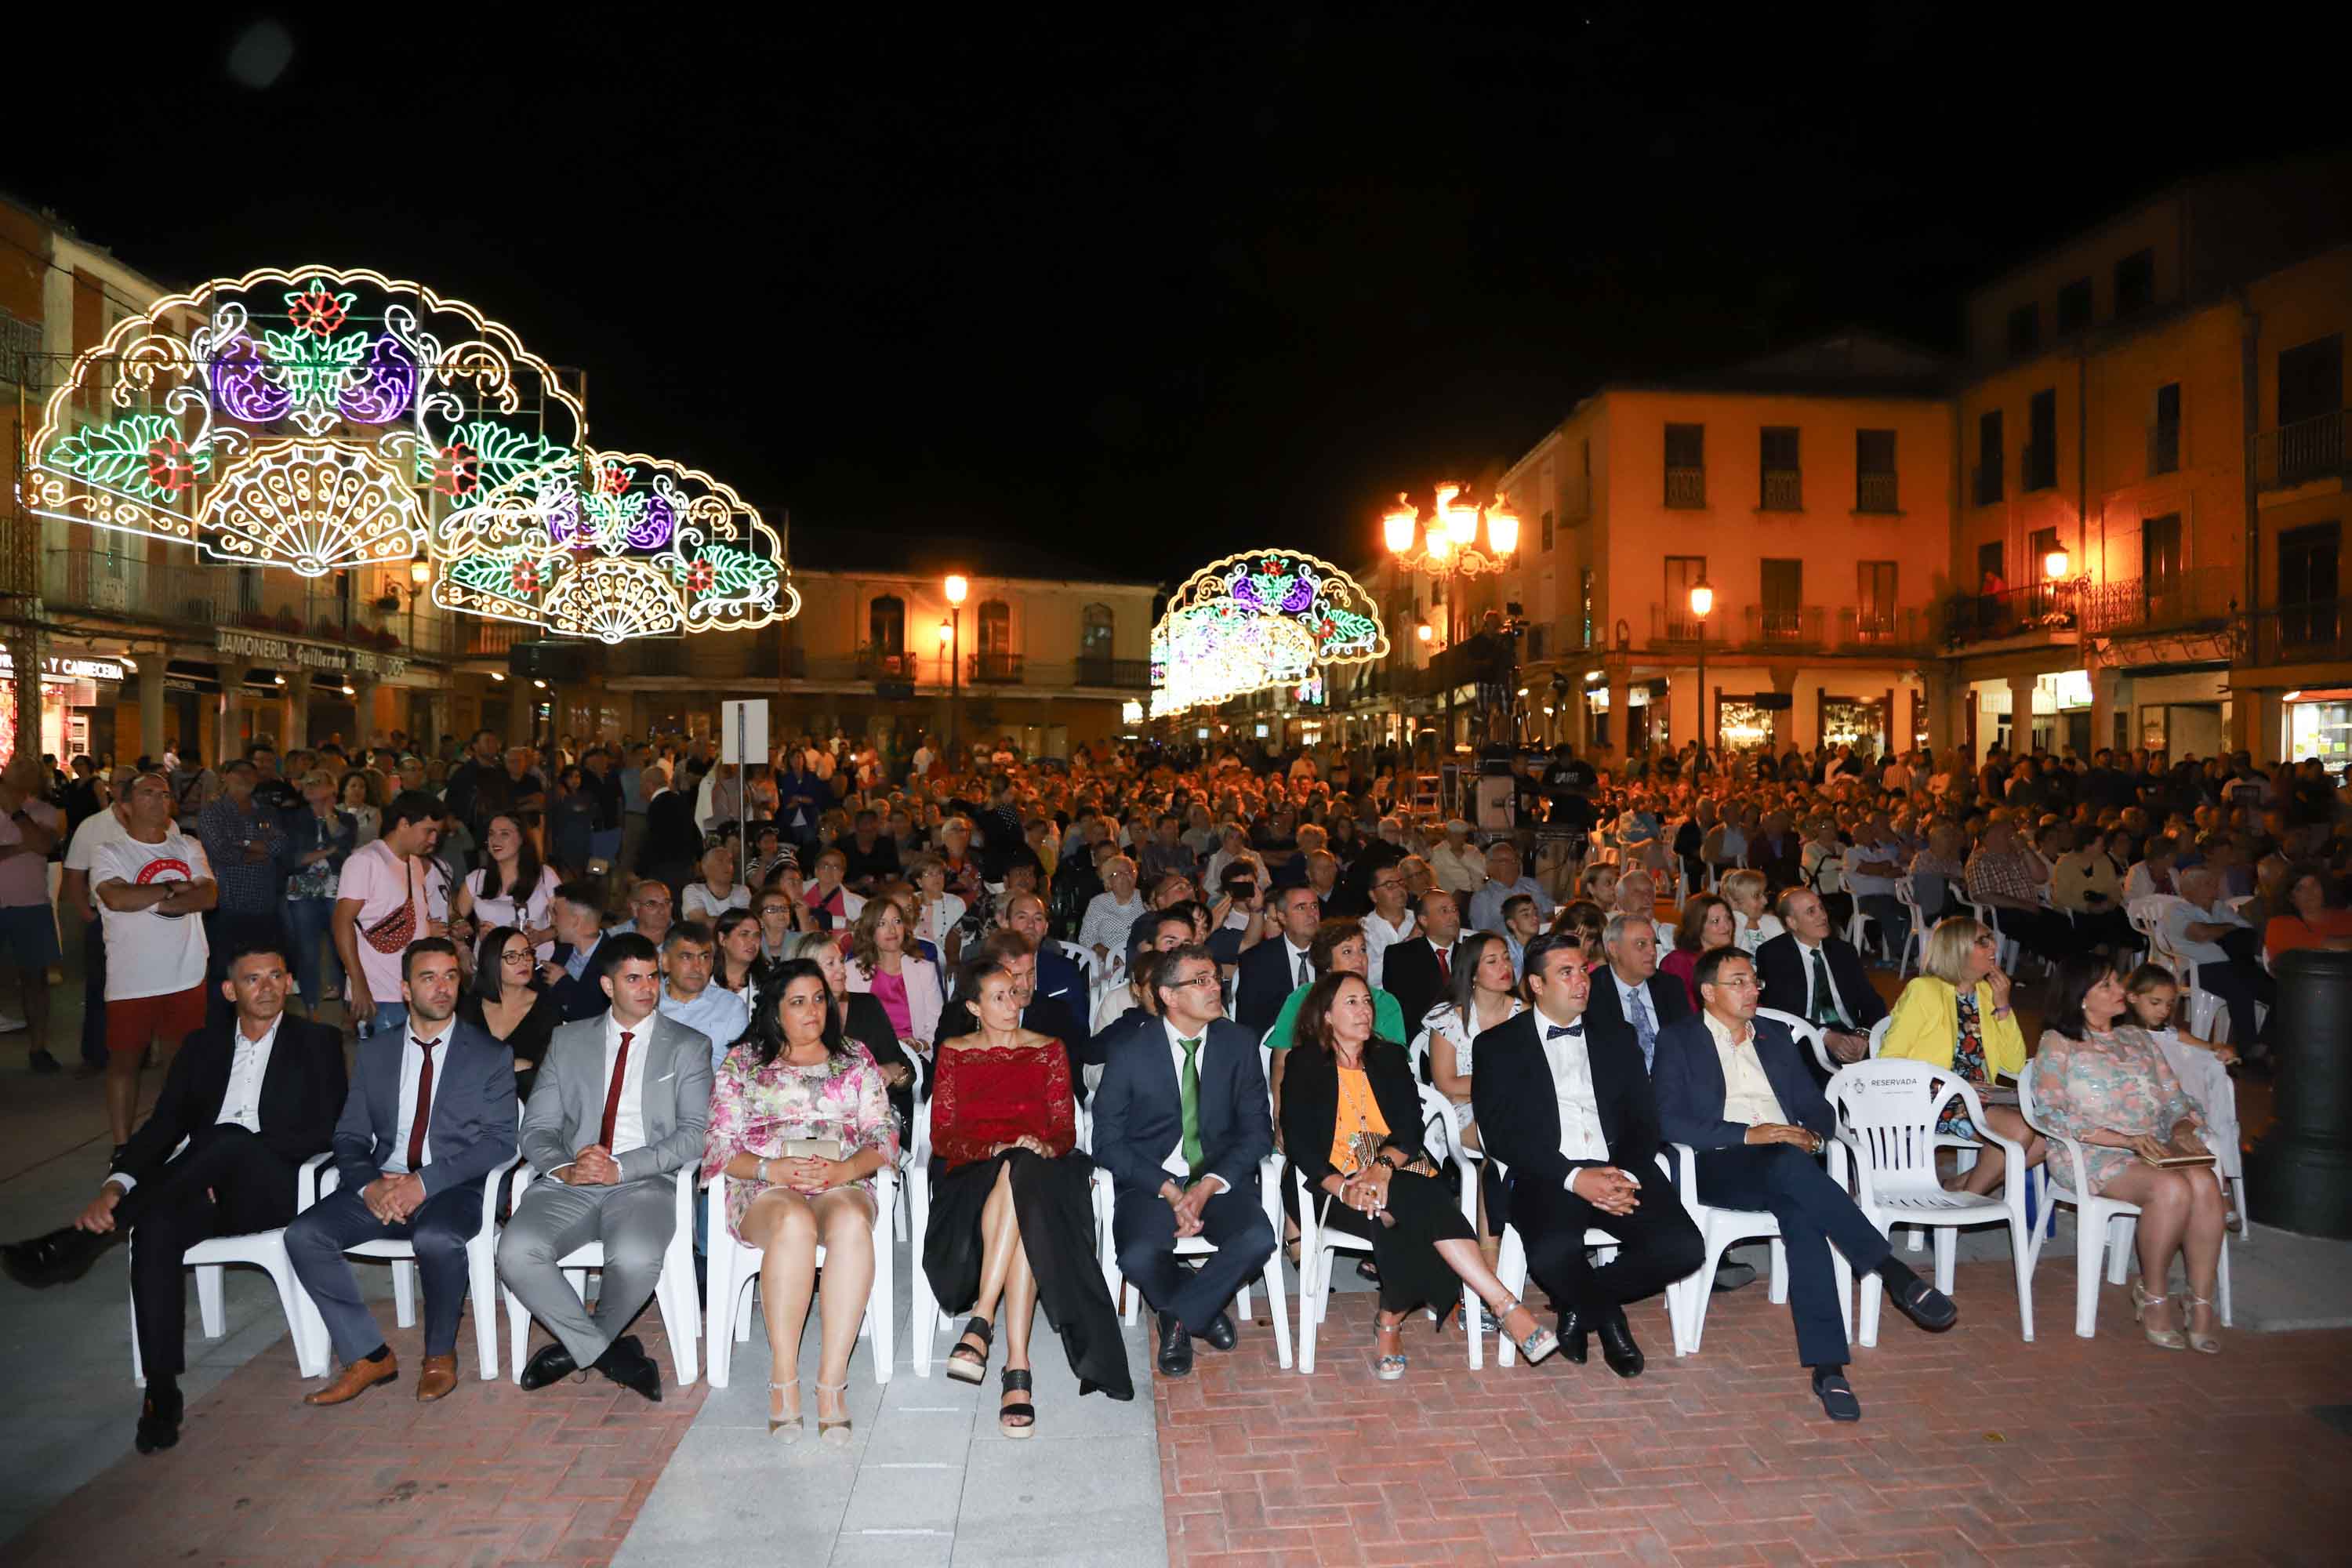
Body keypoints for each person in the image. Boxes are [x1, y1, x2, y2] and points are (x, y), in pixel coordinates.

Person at [1, 940, 346, 1451]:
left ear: (290, 982)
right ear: (230, 990)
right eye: (253, 979)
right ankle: (161, 1394)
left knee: (227, 1140)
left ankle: (81, 1243)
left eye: (277, 976)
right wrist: (116, 1184)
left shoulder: (318, 1042)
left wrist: (230, 1157)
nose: (268, 987)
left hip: (273, 1188)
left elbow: (324, 1130)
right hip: (199, 1188)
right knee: (157, 1229)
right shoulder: (202, 1048)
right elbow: (162, 1128)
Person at [1653, 948, 1958, 1420]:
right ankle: (1892, 1271)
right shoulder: (1679, 1040)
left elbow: (1815, 1106)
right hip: (1719, 1165)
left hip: (1787, 1164)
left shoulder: (1773, 1036)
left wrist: (1814, 1136)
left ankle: (1829, 1367)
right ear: (1708, 992)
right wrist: (1750, 1134)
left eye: (1754, 981)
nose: (1753, 989)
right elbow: (1668, 1121)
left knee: (1800, 1208)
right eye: (1739, 982)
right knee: (1790, 1170)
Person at [1282, 970, 1558, 1376]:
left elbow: (1410, 1128)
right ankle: (1502, 1304)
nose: (1365, 1010)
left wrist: (1380, 1170)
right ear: (1325, 1015)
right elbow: (1300, 1142)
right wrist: (1343, 1189)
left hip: (1395, 1172)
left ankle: (1391, 1322)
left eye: (1366, 1001)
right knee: (1414, 1205)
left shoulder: (1389, 1056)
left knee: (1396, 1210)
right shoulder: (1304, 1064)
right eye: (1352, 1002)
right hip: (1328, 1184)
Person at [285, 938, 517, 1407]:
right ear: (406, 989)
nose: (442, 988)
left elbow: (499, 1142)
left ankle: (439, 1355)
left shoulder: (488, 1054)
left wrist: (424, 1183)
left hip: (452, 1186)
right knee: (304, 1235)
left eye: (450, 976)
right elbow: (349, 1136)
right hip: (385, 1182)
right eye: (428, 978)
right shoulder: (377, 1054)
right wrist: (370, 1185)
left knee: (435, 1238)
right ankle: (368, 1354)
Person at [1470, 933, 1703, 1376]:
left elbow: (1643, 1120)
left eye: (1583, 971)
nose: (1581, 982)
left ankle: (1579, 1306)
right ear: (1536, 985)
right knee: (1553, 1253)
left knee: (1684, 1249)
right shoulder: (1496, 1046)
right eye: (1565, 973)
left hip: (1618, 1166)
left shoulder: (1616, 1036)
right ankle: (1611, 1321)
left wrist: (1623, 1174)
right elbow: (1501, 1137)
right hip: (1547, 1174)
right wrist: (1574, 1179)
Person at [500, 933, 715, 1403]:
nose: (647, 988)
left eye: (652, 977)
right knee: (515, 1251)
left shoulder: (688, 1046)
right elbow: (536, 1129)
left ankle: (573, 1351)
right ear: (606, 985)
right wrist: (566, 1167)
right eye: (632, 978)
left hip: (644, 1180)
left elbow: (695, 1134)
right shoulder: (568, 1040)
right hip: (570, 1182)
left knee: (637, 1257)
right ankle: (609, 1354)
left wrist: (621, 1167)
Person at [926, 958, 1132, 1430]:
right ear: (974, 1006)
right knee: (1016, 1184)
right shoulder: (955, 1052)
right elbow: (943, 1137)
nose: (1013, 1003)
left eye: (1016, 993)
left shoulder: (1048, 1050)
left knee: (1024, 1176)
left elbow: (1065, 1130)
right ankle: (1016, 1367)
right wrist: (994, 1148)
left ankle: (983, 1324)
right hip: (973, 1171)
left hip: (1046, 1169)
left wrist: (1042, 1144)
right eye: (998, 996)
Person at [700, 959, 897, 1441]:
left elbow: (885, 1132)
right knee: (792, 1222)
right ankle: (783, 1378)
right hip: (764, 1185)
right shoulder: (743, 1063)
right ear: (774, 1010)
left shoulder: (854, 1058)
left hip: (841, 1178)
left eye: (818, 999)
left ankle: (831, 1382)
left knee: (851, 1222)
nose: (813, 1011)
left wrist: (846, 1170)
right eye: (798, 1002)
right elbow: (719, 1143)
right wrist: (772, 1169)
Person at [1092, 943, 1277, 1378]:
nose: (1216, 987)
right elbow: (1106, 1142)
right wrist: (1171, 1190)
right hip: (1153, 1181)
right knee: (1138, 1255)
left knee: (1257, 1239)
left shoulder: (1239, 1043)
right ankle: (1203, 1308)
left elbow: (1258, 1132)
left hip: (1218, 1176)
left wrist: (1209, 1184)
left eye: (1216, 978)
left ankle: (1178, 1317)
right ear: (1168, 996)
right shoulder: (1130, 1050)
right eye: (1201, 981)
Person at [2028, 956, 2227, 1354]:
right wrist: (2121, 1139)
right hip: (2091, 1153)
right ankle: (2152, 1296)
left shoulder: (2138, 1039)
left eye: (2117, 983)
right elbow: (2049, 1113)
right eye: (2107, 986)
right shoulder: (2059, 1042)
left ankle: (2199, 1301)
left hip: (2152, 1146)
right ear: (2081, 999)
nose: (2120, 991)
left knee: (2205, 1185)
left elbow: (2176, 1099)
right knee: (2171, 1190)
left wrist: (2184, 1127)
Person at [92, 771, 219, 1150]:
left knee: (180, 1065)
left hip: (186, 973)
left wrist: (147, 897)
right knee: (125, 1064)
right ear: (125, 807)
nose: (160, 800)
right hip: (133, 978)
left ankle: (174, 1136)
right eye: (148, 793)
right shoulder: (110, 852)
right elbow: (115, 899)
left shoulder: (187, 846)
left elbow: (208, 896)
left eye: (164, 794)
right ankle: (122, 1147)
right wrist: (170, 888)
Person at [1879, 918, 2044, 1196]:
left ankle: (1959, 1187)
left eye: (1991, 938)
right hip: (1934, 1095)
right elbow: (1889, 1058)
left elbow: (2014, 1063)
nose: (1994, 946)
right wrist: (1954, 1084)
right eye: (1982, 941)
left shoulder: (1988, 993)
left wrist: (2003, 1006)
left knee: (2045, 1140)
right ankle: (1966, 1201)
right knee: (2019, 1131)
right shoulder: (1924, 990)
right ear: (1957, 950)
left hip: (1982, 1096)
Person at [2121, 964, 2242, 1229]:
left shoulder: (2173, 1035)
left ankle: (2220, 1194)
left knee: (2205, 1137)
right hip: (2144, 1109)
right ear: (2132, 997)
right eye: (2156, 1002)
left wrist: (2221, 1050)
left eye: (2169, 1004)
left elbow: (2210, 1049)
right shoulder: (2124, 1036)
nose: (2163, 1010)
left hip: (2178, 1107)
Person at [1262, 920, 1408, 1121]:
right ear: (1327, 962)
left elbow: (1395, 1067)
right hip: (1311, 1099)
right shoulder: (1302, 998)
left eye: (1363, 950)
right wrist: (1280, 1116)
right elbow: (1281, 1064)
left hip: (1373, 1097)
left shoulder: (1384, 1003)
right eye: (1347, 952)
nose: (1359, 959)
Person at [332, 791, 444, 1040]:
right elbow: (342, 922)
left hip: (411, 992)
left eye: (437, 832)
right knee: (381, 1074)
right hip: (378, 996)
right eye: (428, 831)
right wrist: (359, 985)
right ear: (404, 824)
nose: (434, 840)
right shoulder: (365, 861)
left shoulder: (413, 862)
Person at [1755, 888, 1889, 1073]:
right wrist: (1824, 1035)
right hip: (1807, 1033)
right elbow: (1780, 1008)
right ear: (1792, 922)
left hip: (1850, 1031)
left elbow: (1871, 1001)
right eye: (1811, 912)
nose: (1822, 916)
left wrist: (1863, 1034)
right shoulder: (1774, 954)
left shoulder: (1843, 951)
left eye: (1821, 908)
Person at [1420, 929, 1519, 1145]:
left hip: (1515, 1103)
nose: (1505, 967)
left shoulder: (1525, 1014)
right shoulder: (1448, 1018)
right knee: (1508, 1134)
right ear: (1473, 973)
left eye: (1506, 958)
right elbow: (1446, 1084)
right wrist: (1506, 1085)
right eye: (1492, 962)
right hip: (1458, 1108)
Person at [2162, 866, 2274, 1055]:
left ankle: (2264, 1044)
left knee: (2280, 990)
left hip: (2237, 964)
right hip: (2202, 969)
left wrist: (2220, 930)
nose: (2214, 889)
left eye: (2214, 884)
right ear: (2188, 890)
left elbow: (2247, 933)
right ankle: (2247, 1050)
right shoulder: (2177, 910)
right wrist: (2228, 929)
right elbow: (2199, 934)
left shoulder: (2220, 907)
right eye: (2207, 884)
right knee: (2240, 987)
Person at [0, 752, 64, 1072]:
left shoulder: (46, 811)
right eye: (17, 765)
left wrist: (17, 816)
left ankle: (38, 1048)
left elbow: (44, 846)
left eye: (30, 767)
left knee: (35, 979)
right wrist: (24, 845)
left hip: (31, 905)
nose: (23, 770)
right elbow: (37, 845)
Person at [281, 769, 357, 1018]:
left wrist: (329, 817)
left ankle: (349, 1008)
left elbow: (345, 853)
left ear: (333, 789)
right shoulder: (292, 819)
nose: (312, 787)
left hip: (336, 888)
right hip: (302, 890)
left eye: (319, 782)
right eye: (308, 782)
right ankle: (311, 1007)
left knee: (343, 949)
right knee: (308, 950)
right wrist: (328, 850)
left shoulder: (347, 819)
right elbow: (294, 859)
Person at [462, 924, 562, 1103]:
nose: (523, 962)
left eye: (526, 954)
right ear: (492, 962)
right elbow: (460, 1062)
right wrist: (510, 1065)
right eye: (512, 957)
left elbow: (547, 1072)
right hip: (471, 1101)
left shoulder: (547, 1008)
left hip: (527, 1105)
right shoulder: (470, 1006)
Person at [1584, 912, 1690, 1073]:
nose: (1652, 951)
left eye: (1653, 943)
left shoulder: (1670, 986)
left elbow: (1687, 1042)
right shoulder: (1591, 991)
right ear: (1613, 949)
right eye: (1641, 944)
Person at [844, 895, 945, 1057]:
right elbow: (848, 1030)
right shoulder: (851, 971)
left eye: (897, 922)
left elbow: (937, 1025)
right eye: (882, 924)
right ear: (870, 931)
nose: (892, 930)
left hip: (915, 1056)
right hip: (869, 1057)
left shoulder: (925, 970)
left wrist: (918, 1045)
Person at [456, 814, 560, 964]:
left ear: (522, 839)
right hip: (489, 969)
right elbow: (454, 922)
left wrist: (542, 936)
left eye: (505, 834)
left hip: (534, 967)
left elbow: (564, 921)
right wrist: (463, 950)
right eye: (491, 833)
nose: (495, 840)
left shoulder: (545, 876)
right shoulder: (476, 879)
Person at [658, 920, 752, 1071]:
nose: (697, 967)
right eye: (686, 957)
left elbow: (734, 1071)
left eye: (704, 957)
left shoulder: (731, 1006)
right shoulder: (648, 1002)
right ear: (665, 962)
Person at [1234, 884, 1322, 1036]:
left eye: (1314, 906)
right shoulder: (1257, 960)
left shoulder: (1331, 953)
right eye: (1301, 908)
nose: (1311, 914)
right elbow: (1249, 1023)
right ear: (1282, 917)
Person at [1381, 890, 1464, 1033]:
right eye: (1444, 911)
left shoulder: (1469, 953)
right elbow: (1403, 1010)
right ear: (1423, 920)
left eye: (1455, 909)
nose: (1453, 916)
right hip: (1423, 1037)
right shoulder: (1400, 956)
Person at [541, 880, 613, 1022]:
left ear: (576, 921)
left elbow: (597, 1016)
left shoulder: (613, 959)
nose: (552, 922)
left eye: (556, 914)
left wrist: (563, 983)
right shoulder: (563, 951)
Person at [1659, 894, 1737, 1013]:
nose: (1726, 926)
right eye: (1716, 921)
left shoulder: (1733, 959)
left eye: (1728, 918)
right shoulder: (1678, 962)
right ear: (1697, 927)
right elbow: (1683, 1009)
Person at [2262, 864, 2352, 962]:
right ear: (2290, 898)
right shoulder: (2279, 925)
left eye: (2314, 885)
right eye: (2300, 889)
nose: (2310, 892)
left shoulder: (2345, 917)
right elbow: (2336, 947)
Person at [1466, 840, 1547, 935]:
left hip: (1543, 941)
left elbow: (1551, 912)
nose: (1512, 865)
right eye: (1504, 861)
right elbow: (1482, 935)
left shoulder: (1531, 885)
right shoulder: (1482, 897)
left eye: (1514, 860)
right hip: (1508, 947)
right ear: (1489, 866)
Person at [1078, 853, 1145, 966]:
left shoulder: (1145, 898)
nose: (1124, 876)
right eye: (1117, 874)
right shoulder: (1098, 903)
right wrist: (1104, 952)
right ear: (1108, 881)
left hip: (1142, 963)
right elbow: (1086, 937)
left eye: (1129, 872)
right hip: (1108, 965)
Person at [1359, 861, 1417, 989]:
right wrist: (1409, 943)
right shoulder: (1362, 929)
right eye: (1389, 885)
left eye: (1401, 882)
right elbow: (1367, 975)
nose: (1399, 889)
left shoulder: (1421, 921)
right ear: (1373, 895)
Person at [682, 837, 752, 922]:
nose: (727, 866)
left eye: (730, 861)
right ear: (705, 868)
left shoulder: (742, 891)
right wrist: (734, 923)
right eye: (720, 861)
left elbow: (745, 923)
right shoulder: (693, 890)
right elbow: (702, 923)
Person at [713, 907, 764, 995]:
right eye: (744, 934)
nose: (752, 941)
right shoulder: (702, 981)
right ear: (722, 938)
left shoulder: (768, 984)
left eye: (756, 935)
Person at [1426, 819, 1484, 895]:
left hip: (1479, 894)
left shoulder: (1473, 850)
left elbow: (1483, 872)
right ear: (1448, 834)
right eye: (1456, 835)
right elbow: (1436, 878)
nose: (1459, 838)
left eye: (1462, 835)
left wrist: (1462, 855)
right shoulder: (1438, 852)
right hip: (1453, 896)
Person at [337, 769, 383, 848]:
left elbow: (371, 837)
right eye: (353, 786)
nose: (357, 789)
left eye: (362, 787)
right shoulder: (334, 810)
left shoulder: (373, 812)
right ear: (344, 790)